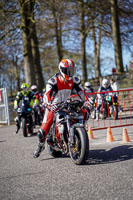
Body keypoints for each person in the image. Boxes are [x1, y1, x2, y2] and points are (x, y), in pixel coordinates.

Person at [33, 59, 91, 158]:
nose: (70, 73)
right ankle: (40, 145)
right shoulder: (53, 81)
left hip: (68, 104)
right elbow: (47, 94)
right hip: (54, 105)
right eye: (68, 71)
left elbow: (81, 92)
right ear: (61, 70)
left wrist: (87, 101)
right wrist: (48, 103)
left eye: (72, 71)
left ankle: (78, 136)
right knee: (43, 131)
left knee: (85, 113)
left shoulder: (75, 80)